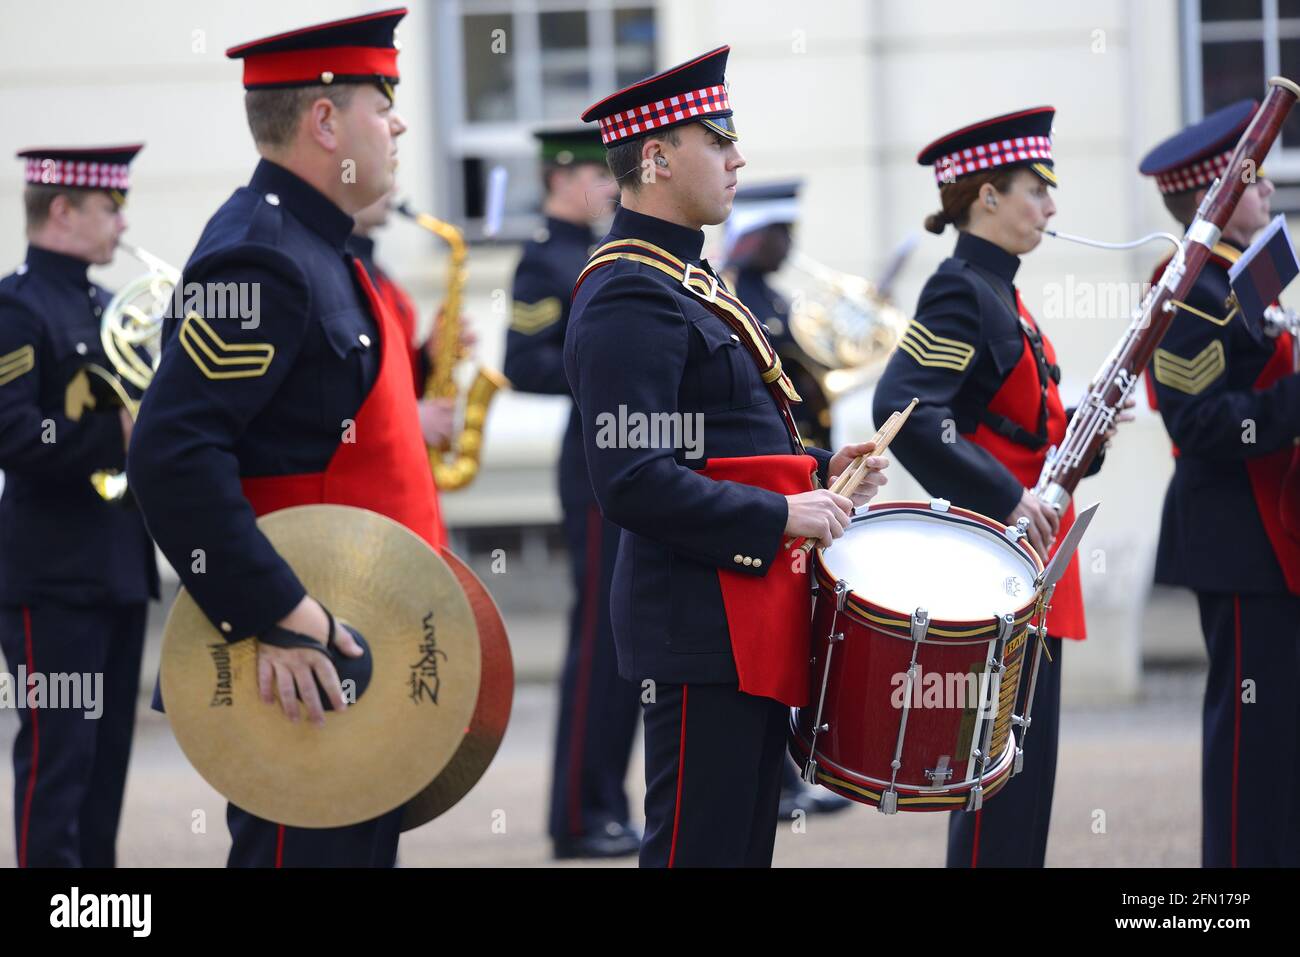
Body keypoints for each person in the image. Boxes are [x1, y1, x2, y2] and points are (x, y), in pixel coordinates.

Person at [128, 6, 442, 867]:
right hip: (301, 660)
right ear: (325, 119)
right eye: (385, 100)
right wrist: (276, 613)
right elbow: (172, 452)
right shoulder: (260, 253)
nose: (400, 121)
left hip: (352, 642)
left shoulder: (317, 245)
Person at [565, 45, 888, 867]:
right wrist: (782, 514)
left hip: (743, 610)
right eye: (719, 139)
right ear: (659, 155)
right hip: (699, 620)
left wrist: (820, 468)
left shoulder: (683, 278)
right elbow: (632, 482)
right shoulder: (629, 290)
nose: (739, 156)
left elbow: (728, 435)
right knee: (696, 851)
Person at [872, 106, 1126, 867]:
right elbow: (907, 409)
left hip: (1028, 560)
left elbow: (1015, 425)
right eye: (1035, 190)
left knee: (1023, 779)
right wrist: (1006, 498)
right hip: (1000, 560)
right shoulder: (961, 290)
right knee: (997, 785)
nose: (1050, 209)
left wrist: (1085, 431)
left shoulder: (1002, 293)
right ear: (986, 195)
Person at [1140, 99, 1300, 867]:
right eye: (1257, 180)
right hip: (1237, 539)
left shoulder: (1238, 281)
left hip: (1274, 533)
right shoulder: (1188, 294)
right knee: (1249, 738)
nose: (1270, 193)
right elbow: (1200, 424)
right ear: (1220, 194)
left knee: (1283, 737)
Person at [0, 144, 157, 867]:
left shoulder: (102, 305)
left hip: (116, 564)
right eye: (108, 208)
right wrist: (113, 431)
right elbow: (15, 433)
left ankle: (94, 910)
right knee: (59, 760)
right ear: (60, 209)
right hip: (52, 573)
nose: (121, 225)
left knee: (104, 763)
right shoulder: (16, 306)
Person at [503, 127, 640, 858]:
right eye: (596, 173)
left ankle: (608, 802)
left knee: (626, 640)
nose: (610, 186)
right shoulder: (542, 258)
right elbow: (522, 362)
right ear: (561, 177)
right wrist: (607, 362)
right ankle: (579, 814)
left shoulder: (603, 251)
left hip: (621, 454)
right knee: (599, 642)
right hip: (590, 467)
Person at [721, 180, 852, 820]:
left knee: (795, 628)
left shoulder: (770, 298)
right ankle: (781, 779)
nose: (789, 244)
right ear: (754, 233)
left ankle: (791, 770)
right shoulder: (736, 296)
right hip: (771, 492)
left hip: (802, 471)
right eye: (780, 232)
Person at [347, 190, 458, 455]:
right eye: (385, 170)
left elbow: (390, 364)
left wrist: (429, 356)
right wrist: (407, 418)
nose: (393, 191)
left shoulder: (375, 266)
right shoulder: (338, 267)